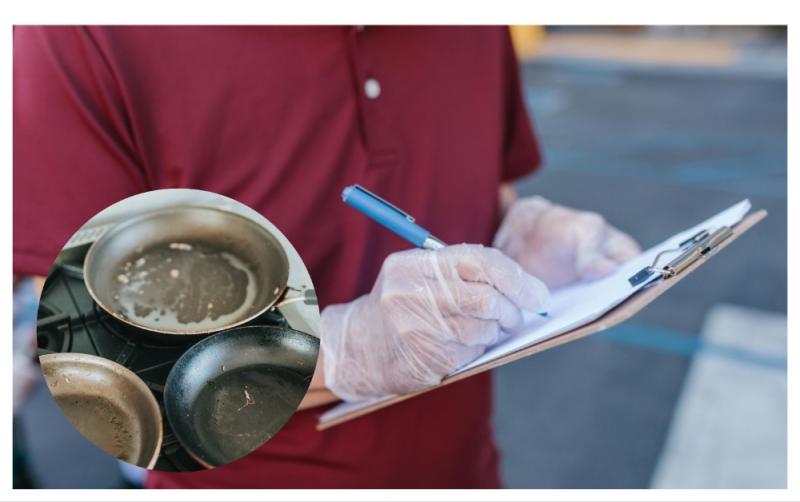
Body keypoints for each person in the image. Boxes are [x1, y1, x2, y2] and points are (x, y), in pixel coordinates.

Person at [13, 26, 639, 488]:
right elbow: (96, 359)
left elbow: (488, 186)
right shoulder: (81, 34)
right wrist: (344, 350)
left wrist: (522, 232)